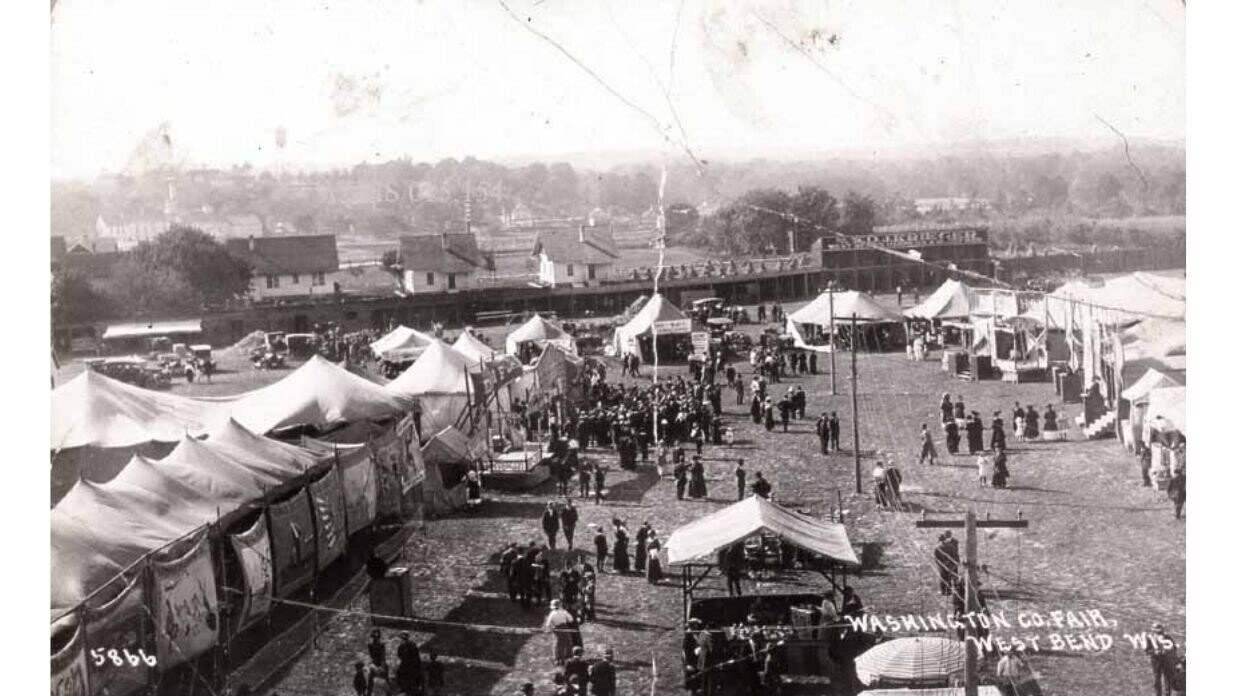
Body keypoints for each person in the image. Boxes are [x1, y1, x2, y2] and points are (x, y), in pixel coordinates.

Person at [1145, 623, 1178, 696]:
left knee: (1167, 678)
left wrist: (1167, 652)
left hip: (1166, 660)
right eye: (1155, 630)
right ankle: (1158, 694)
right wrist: (1154, 652)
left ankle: (1167, 694)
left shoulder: (1167, 637)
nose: (1157, 631)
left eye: (1158, 630)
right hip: (1156, 661)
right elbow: (1147, 650)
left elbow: (1174, 648)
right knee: (1157, 679)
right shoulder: (1150, 638)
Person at [545, 600, 577, 665]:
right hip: (565, 627)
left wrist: (552, 628)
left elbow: (548, 624)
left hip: (557, 629)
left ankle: (558, 659)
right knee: (568, 642)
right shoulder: (564, 612)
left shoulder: (552, 613)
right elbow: (571, 619)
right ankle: (568, 657)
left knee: (558, 644)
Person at [934, 532, 959, 597]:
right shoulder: (951, 547)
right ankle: (955, 590)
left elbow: (936, 559)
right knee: (953, 577)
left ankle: (946, 591)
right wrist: (955, 563)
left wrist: (941, 565)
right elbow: (955, 556)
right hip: (951, 565)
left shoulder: (937, 548)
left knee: (944, 578)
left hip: (944, 566)